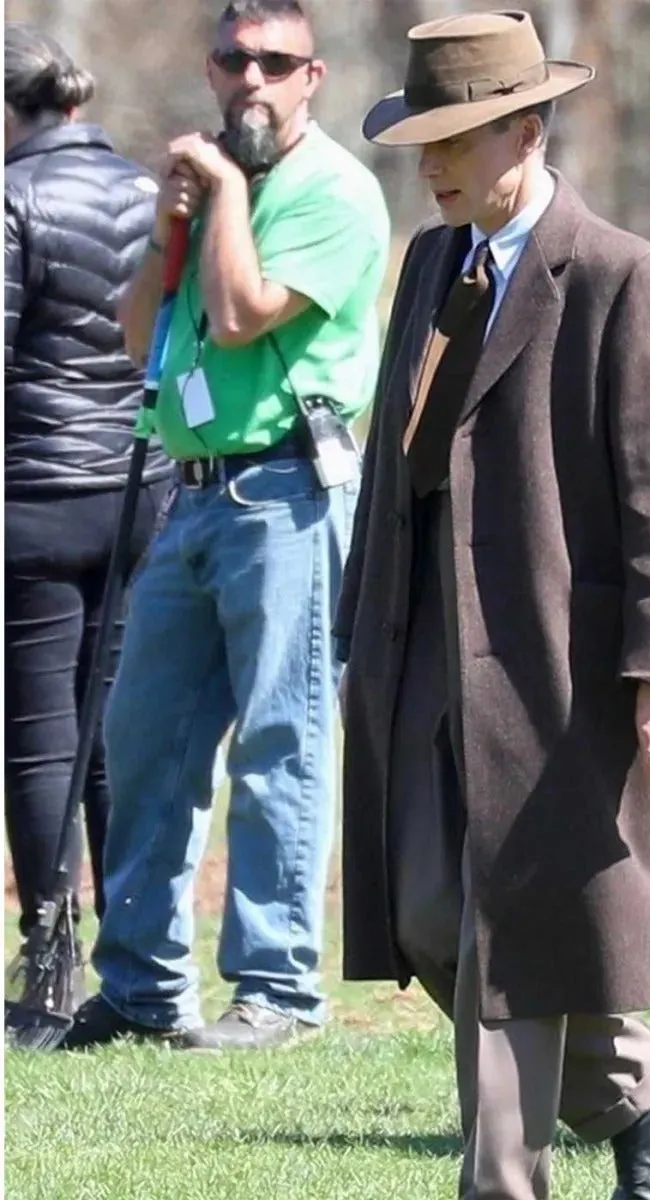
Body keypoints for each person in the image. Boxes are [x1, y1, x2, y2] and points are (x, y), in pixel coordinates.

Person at [336, 11, 650, 1200]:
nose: (433, 162)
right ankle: (649, 1093)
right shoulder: (429, 262)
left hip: (551, 665)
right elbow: (388, 467)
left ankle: (502, 1183)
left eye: (455, 139)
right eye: (423, 140)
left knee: (508, 929)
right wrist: (361, 625)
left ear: (526, 127)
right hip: (416, 651)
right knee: (420, 917)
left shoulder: (621, 275)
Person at [62, 0, 390, 1051]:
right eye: (233, 59)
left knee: (280, 743)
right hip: (194, 488)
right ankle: (142, 988)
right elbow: (132, 334)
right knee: (144, 736)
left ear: (313, 77)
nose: (251, 79)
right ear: (212, 69)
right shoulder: (208, 188)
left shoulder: (333, 192)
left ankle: (277, 991)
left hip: (290, 493)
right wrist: (173, 221)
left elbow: (245, 311)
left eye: (275, 63)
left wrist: (231, 198)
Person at [4, 24, 173, 996]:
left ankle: (51, 952)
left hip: (29, 497)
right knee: (116, 727)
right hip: (137, 494)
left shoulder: (12, 196)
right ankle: (135, 945)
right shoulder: (148, 191)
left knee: (38, 735)